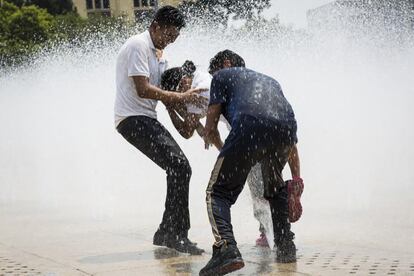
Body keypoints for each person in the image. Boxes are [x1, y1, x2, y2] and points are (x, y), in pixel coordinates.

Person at [200, 50, 304, 275]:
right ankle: (285, 246)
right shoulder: (269, 80)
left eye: (212, 74)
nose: (212, 81)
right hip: (285, 129)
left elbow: (211, 125)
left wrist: (219, 146)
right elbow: (291, 138)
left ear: (226, 64)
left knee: (217, 192)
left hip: (249, 126)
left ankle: (226, 250)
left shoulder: (222, 76)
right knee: (275, 188)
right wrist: (296, 178)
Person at [114, 6, 206, 255]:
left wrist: (196, 120)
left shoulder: (160, 55)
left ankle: (167, 231)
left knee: (177, 167)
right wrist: (180, 95)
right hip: (132, 119)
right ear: (155, 26)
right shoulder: (138, 46)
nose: (169, 41)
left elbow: (168, 97)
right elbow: (143, 89)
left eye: (174, 38)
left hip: (146, 118)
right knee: (180, 167)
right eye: (168, 35)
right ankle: (176, 234)